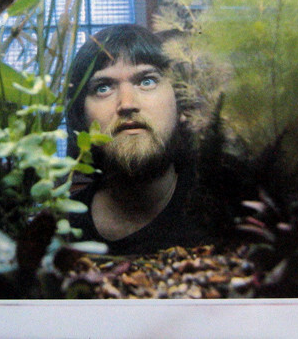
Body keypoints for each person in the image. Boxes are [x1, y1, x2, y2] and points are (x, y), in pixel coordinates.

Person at [66, 23, 217, 256]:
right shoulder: (62, 230)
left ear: (182, 104)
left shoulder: (221, 213)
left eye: (147, 81)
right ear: (81, 116)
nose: (127, 104)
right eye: (103, 87)